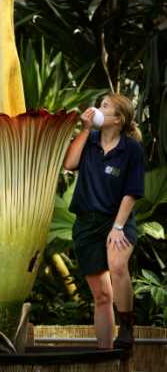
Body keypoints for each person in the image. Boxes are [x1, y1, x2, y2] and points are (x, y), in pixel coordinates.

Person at [63, 93, 144, 350]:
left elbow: (132, 191)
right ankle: (104, 354)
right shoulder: (91, 140)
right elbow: (69, 162)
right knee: (102, 296)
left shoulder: (131, 149)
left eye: (105, 106)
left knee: (117, 264)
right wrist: (85, 130)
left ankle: (127, 326)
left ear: (118, 119)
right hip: (86, 223)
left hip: (116, 219)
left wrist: (118, 227)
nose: (98, 109)